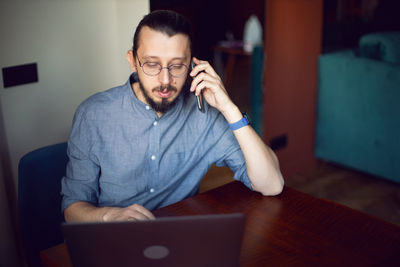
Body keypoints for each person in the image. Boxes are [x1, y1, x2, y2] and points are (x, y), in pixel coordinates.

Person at [61, 10, 284, 222]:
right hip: (114, 240)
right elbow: (73, 209)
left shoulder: (204, 114)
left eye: (177, 66)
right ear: (132, 60)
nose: (165, 80)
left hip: (180, 239)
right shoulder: (93, 114)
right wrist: (109, 216)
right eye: (151, 64)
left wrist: (229, 109)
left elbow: (271, 184)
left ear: (192, 64)